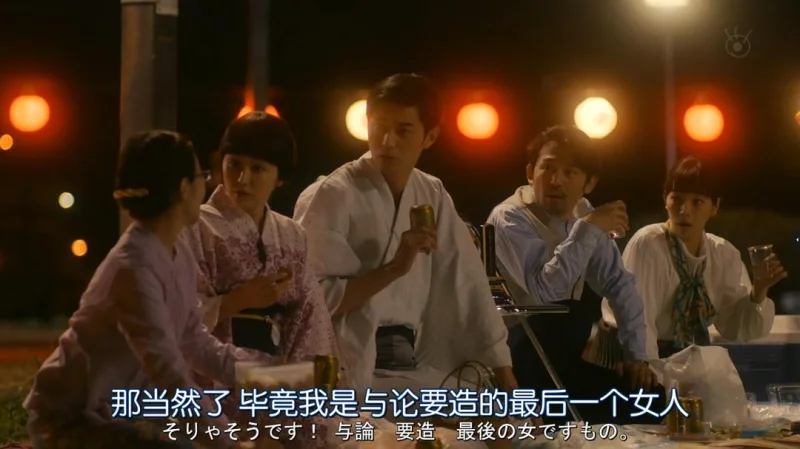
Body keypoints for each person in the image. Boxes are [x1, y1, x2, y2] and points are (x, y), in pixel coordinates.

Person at [23, 131, 267, 449]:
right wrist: (227, 443)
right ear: (184, 188)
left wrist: (279, 377)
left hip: (118, 414)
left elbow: (196, 343)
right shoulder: (133, 268)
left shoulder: (176, 250)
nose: (206, 185)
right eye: (202, 176)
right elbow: (167, 371)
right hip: (71, 419)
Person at [293, 73, 516, 397]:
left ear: (430, 136)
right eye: (379, 127)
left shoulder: (431, 193)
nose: (387, 141)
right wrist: (394, 268)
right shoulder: (332, 194)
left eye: (403, 130)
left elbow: (467, 283)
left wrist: (502, 368)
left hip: (412, 364)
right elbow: (307, 298)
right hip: (345, 364)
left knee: (499, 416)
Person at [486, 125, 663, 425]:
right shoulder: (510, 217)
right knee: (558, 324)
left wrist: (636, 356)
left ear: (589, 183)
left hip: (566, 354)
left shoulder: (584, 211)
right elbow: (544, 291)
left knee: (651, 400)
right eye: (548, 168)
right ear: (530, 173)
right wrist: (588, 228)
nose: (556, 181)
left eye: (570, 172)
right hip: (517, 351)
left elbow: (618, 284)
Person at [183, 111, 339, 366]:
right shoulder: (196, 226)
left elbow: (309, 316)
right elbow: (176, 310)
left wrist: (304, 375)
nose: (242, 179)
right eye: (234, 164)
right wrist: (236, 300)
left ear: (279, 178)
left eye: (257, 168)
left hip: (275, 369)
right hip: (214, 370)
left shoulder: (292, 234)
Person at [601, 156, 785, 360]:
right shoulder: (649, 243)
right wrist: (644, 363)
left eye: (697, 202)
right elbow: (637, 317)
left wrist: (759, 290)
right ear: (665, 200)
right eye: (677, 199)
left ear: (715, 207)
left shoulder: (723, 253)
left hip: (686, 355)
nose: (684, 211)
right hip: (628, 353)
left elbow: (734, 326)